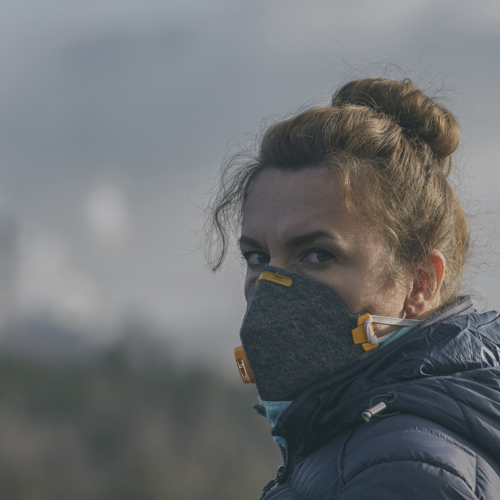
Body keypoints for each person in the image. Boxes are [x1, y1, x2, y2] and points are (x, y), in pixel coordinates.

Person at [206, 78, 500, 499]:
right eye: (257, 257)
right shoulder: (361, 440)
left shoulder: (402, 472)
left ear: (421, 284)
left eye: (318, 255)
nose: (270, 288)